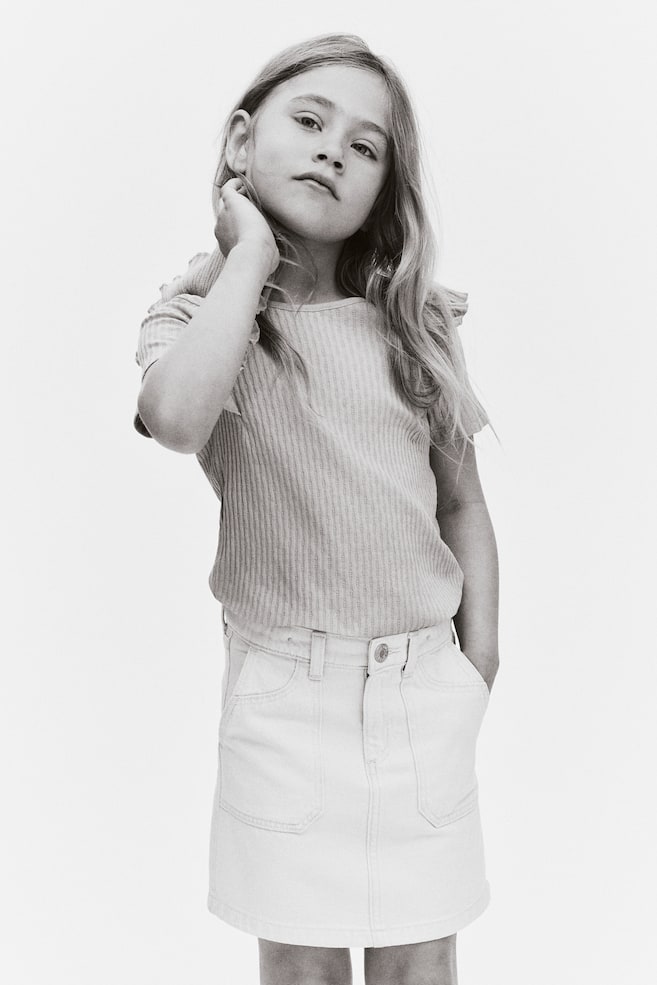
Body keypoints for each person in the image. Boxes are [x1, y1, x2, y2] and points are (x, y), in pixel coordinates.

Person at [133, 32, 499, 985]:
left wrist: (477, 664)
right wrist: (247, 256)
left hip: (420, 693)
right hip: (283, 704)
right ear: (241, 142)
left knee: (420, 960)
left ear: (384, 188)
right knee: (300, 963)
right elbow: (175, 419)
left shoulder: (412, 322)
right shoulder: (195, 320)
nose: (333, 149)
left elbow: (462, 501)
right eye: (308, 121)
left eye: (364, 145)